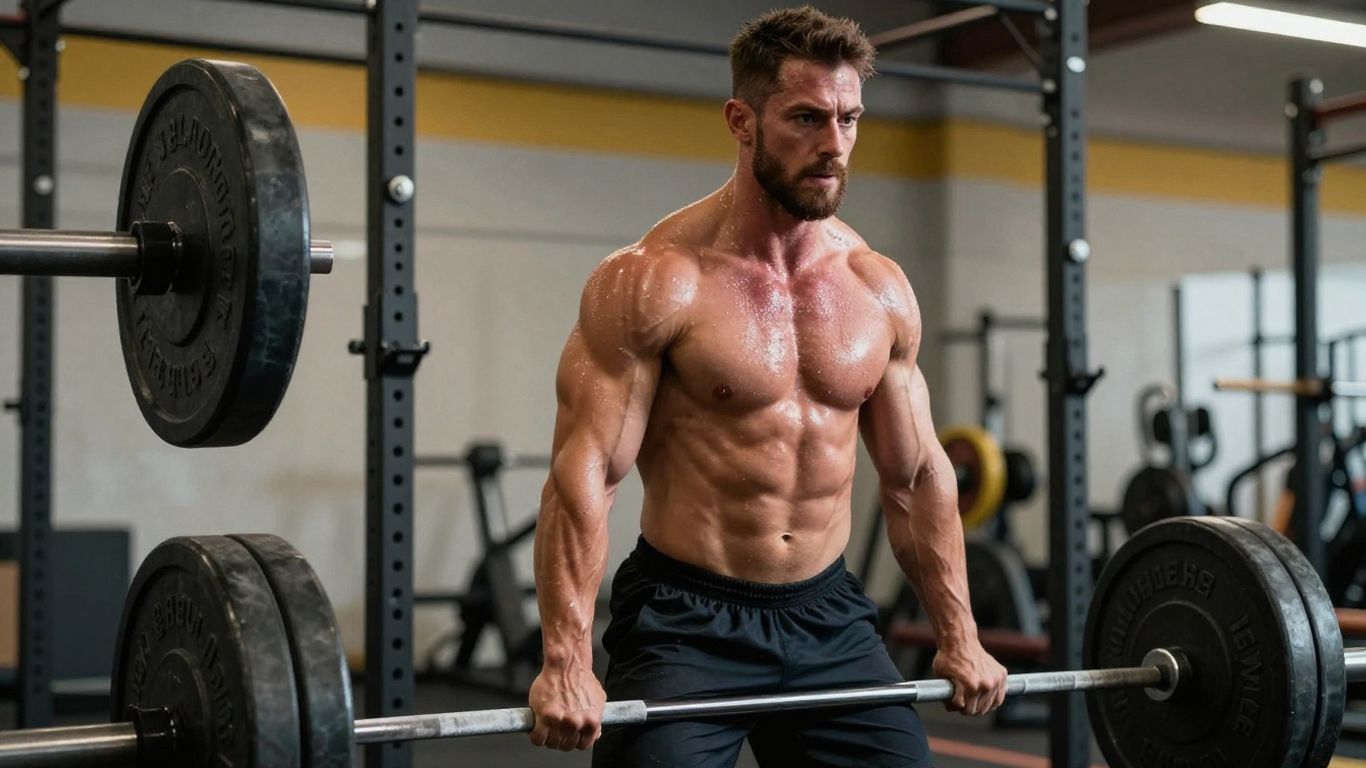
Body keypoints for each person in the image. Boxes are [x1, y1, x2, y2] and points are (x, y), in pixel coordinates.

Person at [528, 6, 1008, 766]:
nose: (834, 144)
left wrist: (960, 634)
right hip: (687, 619)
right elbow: (583, 476)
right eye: (807, 118)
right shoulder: (657, 280)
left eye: (850, 119)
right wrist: (566, 658)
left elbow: (916, 476)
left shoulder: (877, 288)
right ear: (741, 121)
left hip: (829, 614)